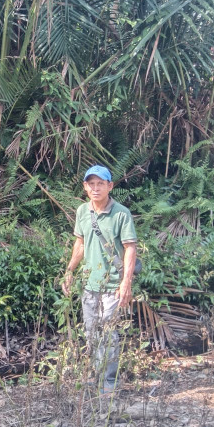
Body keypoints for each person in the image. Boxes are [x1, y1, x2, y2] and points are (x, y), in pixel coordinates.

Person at [61, 165, 138, 394]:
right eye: (91, 184)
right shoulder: (82, 211)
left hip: (113, 283)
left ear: (110, 186)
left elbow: (130, 248)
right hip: (89, 283)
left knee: (108, 332)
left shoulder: (121, 213)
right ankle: (96, 375)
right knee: (91, 331)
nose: (96, 188)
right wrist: (69, 270)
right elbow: (80, 244)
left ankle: (110, 381)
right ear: (85, 187)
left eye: (100, 184)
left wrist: (126, 282)